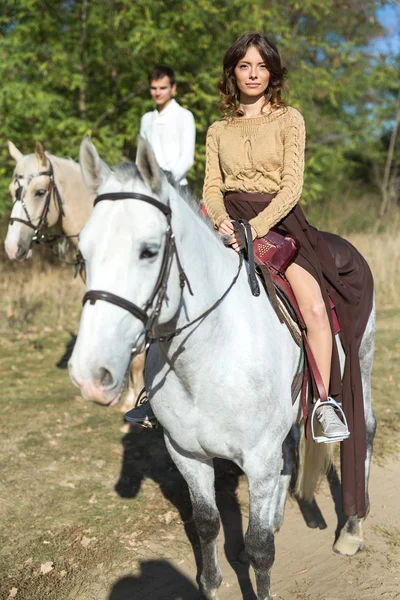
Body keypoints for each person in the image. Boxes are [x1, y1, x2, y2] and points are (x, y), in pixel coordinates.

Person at [203, 32, 353, 441]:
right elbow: (211, 187)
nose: (253, 74)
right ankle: (158, 392)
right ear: (233, 72)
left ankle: (324, 403)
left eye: (262, 66)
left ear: (273, 72)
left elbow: (291, 187)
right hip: (228, 219)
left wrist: (255, 228)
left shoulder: (291, 119)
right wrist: (221, 221)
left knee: (315, 308)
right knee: (176, 277)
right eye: (244, 65)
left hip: (279, 221)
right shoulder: (218, 129)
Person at [139, 65, 196, 191]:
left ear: (173, 88)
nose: (158, 93)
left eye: (163, 88)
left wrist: (167, 179)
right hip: (150, 188)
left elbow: (187, 158)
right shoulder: (146, 119)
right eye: (154, 88)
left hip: (177, 187)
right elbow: (141, 156)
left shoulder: (184, 116)